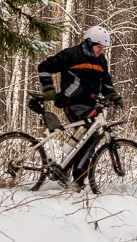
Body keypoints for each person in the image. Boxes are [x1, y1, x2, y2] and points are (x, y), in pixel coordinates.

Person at [37, 25, 123, 185]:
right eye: (98, 47)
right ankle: (78, 177)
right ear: (89, 42)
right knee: (91, 135)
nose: (100, 51)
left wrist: (113, 95)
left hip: (90, 104)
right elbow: (44, 67)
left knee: (86, 135)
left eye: (103, 48)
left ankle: (66, 169)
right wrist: (48, 87)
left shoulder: (101, 60)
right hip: (72, 102)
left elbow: (106, 82)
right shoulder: (71, 55)